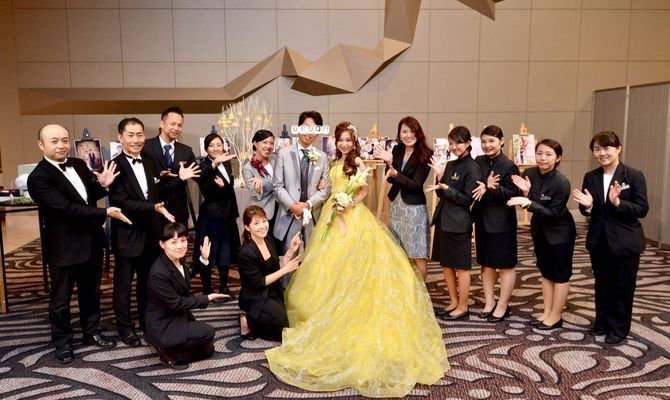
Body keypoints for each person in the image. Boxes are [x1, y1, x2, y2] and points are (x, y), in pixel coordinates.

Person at [265, 122, 448, 398]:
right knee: (327, 264)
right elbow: (327, 187)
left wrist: (348, 204)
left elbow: (362, 191)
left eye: (348, 140)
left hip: (352, 217)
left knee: (356, 265)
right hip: (331, 214)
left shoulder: (358, 161)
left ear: (354, 142)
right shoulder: (331, 162)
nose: (344, 144)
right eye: (340, 140)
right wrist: (329, 194)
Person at [27, 124, 126, 363]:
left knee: (90, 292)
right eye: (54, 141)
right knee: (61, 299)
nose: (61, 145)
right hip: (64, 246)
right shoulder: (38, 177)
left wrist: (103, 184)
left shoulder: (79, 164)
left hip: (91, 240)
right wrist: (104, 213)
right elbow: (65, 208)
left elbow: (90, 195)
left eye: (64, 140)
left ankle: (91, 332)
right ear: (41, 145)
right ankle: (62, 342)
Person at [110, 117, 200, 347]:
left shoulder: (149, 163)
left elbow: (159, 193)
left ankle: (146, 321)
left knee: (146, 283)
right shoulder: (114, 166)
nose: (136, 140)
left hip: (151, 234)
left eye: (139, 135)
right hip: (128, 236)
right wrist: (152, 208)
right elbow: (120, 200)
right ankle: (125, 328)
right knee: (123, 286)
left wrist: (180, 180)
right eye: (130, 135)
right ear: (120, 138)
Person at [572, 131, 648, 344]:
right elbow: (587, 208)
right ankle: (602, 323)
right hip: (599, 239)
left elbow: (642, 209)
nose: (602, 153)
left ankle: (619, 328)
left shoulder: (633, 175)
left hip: (625, 240)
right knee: (602, 284)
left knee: (623, 287)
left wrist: (618, 203)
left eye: (607, 148)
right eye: (597, 149)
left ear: (618, 148)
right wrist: (588, 207)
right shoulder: (591, 176)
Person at [507, 139, 576, 330]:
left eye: (548, 154)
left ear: (558, 158)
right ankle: (547, 312)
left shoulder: (562, 183)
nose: (543, 158)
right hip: (540, 230)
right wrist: (526, 194)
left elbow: (552, 213)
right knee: (546, 272)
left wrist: (529, 201)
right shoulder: (529, 173)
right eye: (539, 153)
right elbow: (527, 203)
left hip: (560, 232)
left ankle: (556, 315)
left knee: (560, 275)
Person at [145, 223, 228, 370]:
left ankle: (171, 349)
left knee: (208, 350)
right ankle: (165, 350)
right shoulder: (158, 273)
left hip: (176, 316)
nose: (180, 246)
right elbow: (176, 303)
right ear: (162, 244)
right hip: (163, 323)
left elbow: (185, 275)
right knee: (208, 333)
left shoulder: (176, 259)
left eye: (183, 240)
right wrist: (207, 298)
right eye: (173, 242)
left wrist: (203, 259)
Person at [428, 126, 481, 320]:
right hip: (444, 219)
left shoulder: (473, 168)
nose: (454, 147)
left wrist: (447, 188)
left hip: (459, 223)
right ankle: (452, 301)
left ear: (468, 143)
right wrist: (440, 177)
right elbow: (441, 193)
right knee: (446, 265)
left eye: (458, 142)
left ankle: (463, 306)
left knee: (461, 267)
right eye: (451, 143)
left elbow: (467, 200)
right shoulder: (450, 165)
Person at [273, 111, 330, 286]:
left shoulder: (322, 157)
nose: (308, 132)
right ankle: (285, 295)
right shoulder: (284, 154)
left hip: (312, 216)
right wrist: (293, 206)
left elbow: (326, 189)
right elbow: (277, 186)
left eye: (314, 129)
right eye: (305, 127)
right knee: (289, 260)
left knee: (313, 260)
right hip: (290, 216)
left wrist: (308, 204)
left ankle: (309, 294)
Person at [472, 125, 520, 322]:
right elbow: (473, 184)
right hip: (482, 220)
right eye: (483, 141)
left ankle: (502, 305)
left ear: (501, 141)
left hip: (502, 222)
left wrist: (492, 188)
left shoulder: (509, 166)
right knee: (486, 264)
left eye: (491, 141)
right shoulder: (478, 161)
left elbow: (513, 194)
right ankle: (490, 302)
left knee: (506, 265)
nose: (487, 145)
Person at [374, 116, 433, 280]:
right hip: (396, 206)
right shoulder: (397, 150)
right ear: (399, 134)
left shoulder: (426, 154)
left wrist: (395, 173)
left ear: (418, 133)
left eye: (412, 131)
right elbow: (391, 179)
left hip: (414, 210)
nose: (408, 135)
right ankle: (405, 288)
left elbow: (416, 184)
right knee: (399, 251)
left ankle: (421, 290)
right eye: (404, 131)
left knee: (417, 253)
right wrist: (389, 163)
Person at [238, 205, 301, 341]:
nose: (262, 226)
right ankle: (246, 321)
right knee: (281, 327)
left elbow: (276, 267)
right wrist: (285, 270)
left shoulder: (268, 240)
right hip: (255, 295)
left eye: (264, 221)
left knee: (288, 317)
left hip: (272, 290)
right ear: (247, 228)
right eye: (256, 223)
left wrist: (291, 249)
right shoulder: (246, 252)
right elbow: (259, 282)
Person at [192, 133, 239, 297]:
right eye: (211, 145)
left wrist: (225, 187)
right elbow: (202, 180)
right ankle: (207, 288)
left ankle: (224, 286)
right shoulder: (204, 165)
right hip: (211, 216)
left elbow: (229, 189)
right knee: (207, 251)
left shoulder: (226, 162)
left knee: (225, 252)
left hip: (226, 214)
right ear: (206, 149)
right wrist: (214, 164)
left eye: (218, 145)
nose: (216, 148)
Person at [141, 106, 198, 226]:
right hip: (154, 209)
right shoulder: (145, 147)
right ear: (162, 123)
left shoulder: (186, 150)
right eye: (173, 124)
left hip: (179, 211)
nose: (176, 128)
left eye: (180, 125)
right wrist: (158, 175)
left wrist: (214, 164)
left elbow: (199, 173)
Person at [242, 130, 278, 239]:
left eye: (271, 143)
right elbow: (254, 193)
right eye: (265, 142)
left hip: (281, 208)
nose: (268, 146)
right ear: (255, 143)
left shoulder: (275, 159)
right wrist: (258, 190)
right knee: (267, 242)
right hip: (264, 211)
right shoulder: (248, 168)